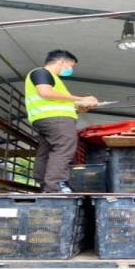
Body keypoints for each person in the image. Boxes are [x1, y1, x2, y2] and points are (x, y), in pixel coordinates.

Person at [25, 50, 99, 193]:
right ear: (61, 62)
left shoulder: (53, 79)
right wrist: (81, 99)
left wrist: (78, 109)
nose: (70, 70)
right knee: (64, 148)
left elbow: (54, 100)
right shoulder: (41, 73)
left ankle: (44, 183)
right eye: (70, 66)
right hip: (56, 119)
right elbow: (45, 92)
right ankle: (56, 185)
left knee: (46, 152)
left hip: (46, 119)